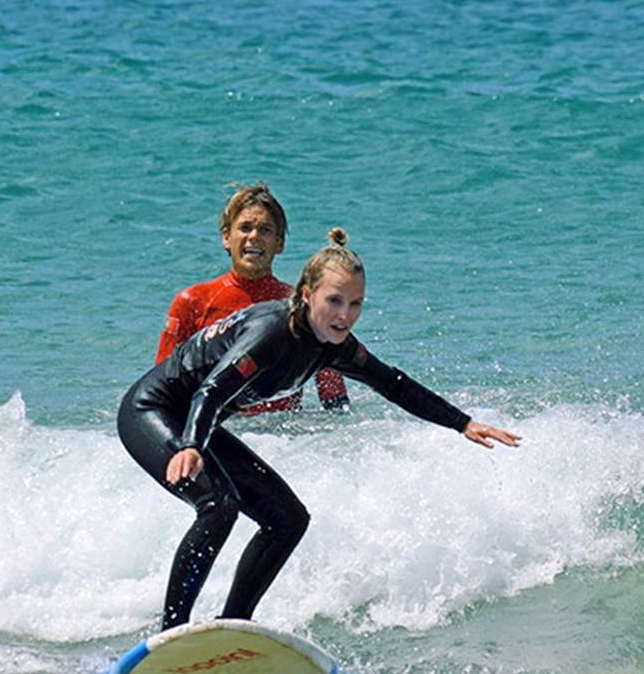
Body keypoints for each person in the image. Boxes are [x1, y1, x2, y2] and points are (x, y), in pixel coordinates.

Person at [119, 227, 522, 630]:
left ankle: (233, 626)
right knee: (217, 507)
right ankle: (171, 631)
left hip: (196, 423)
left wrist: (463, 423)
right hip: (153, 412)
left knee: (287, 519)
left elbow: (393, 383)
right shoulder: (271, 333)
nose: (344, 315)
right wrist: (191, 446)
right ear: (307, 294)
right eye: (334, 301)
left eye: (355, 304)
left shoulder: (335, 344)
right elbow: (212, 389)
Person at [155, 182, 349, 413]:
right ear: (226, 237)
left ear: (280, 243)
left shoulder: (302, 307)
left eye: (265, 230)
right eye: (245, 228)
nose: (254, 236)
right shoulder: (193, 302)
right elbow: (162, 389)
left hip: (285, 442)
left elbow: (332, 393)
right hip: (215, 430)